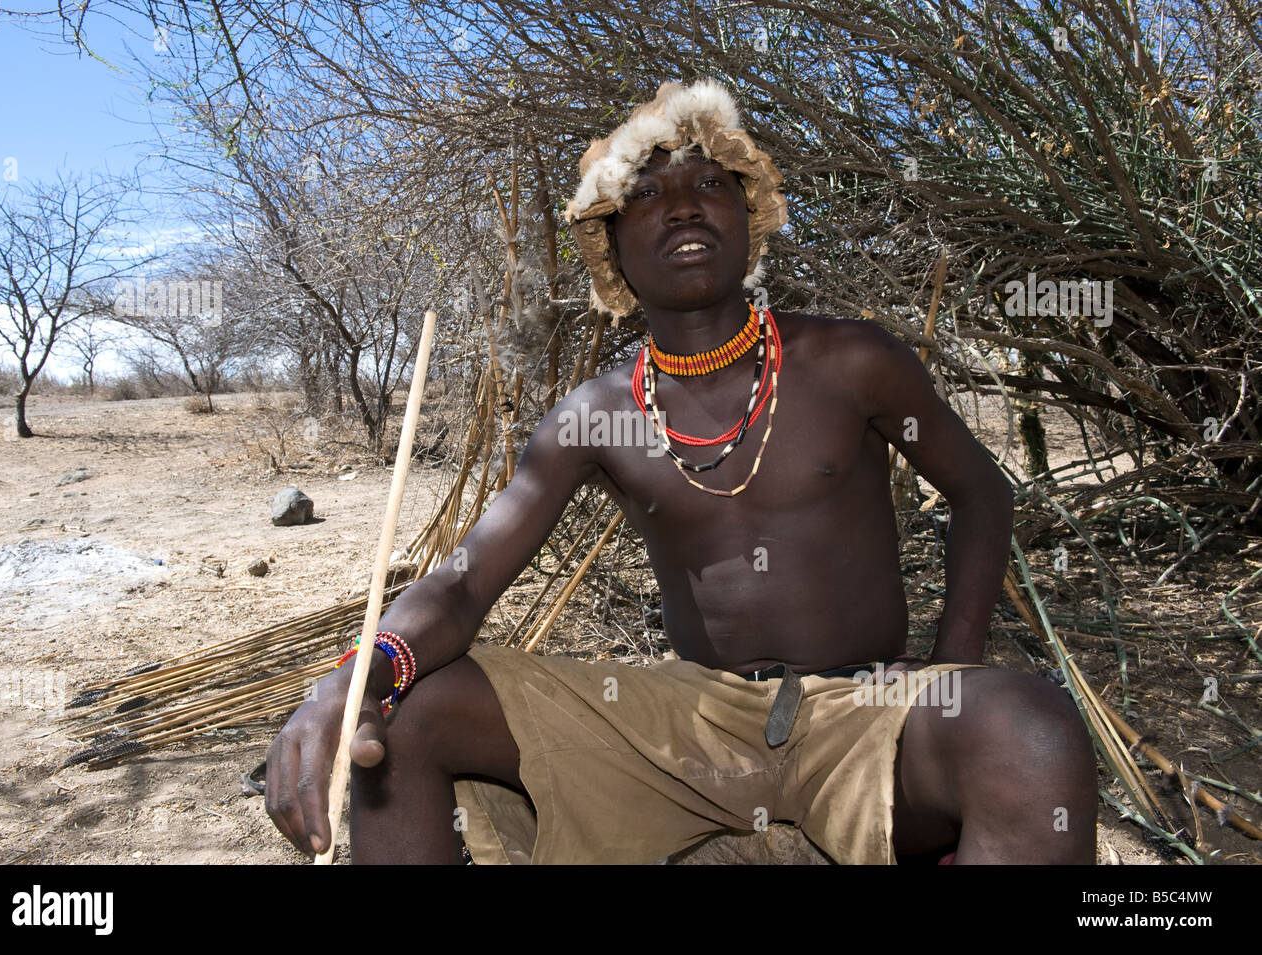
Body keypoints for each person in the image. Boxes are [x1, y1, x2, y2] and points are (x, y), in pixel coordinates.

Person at [266, 79, 1097, 865]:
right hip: (684, 723)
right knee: (403, 721)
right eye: (648, 194)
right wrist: (361, 673)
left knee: (1032, 732)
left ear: (749, 216)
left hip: (865, 711)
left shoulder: (851, 360)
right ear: (612, 248)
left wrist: (952, 664)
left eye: (710, 182)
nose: (684, 203)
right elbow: (461, 584)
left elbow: (982, 489)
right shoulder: (594, 415)